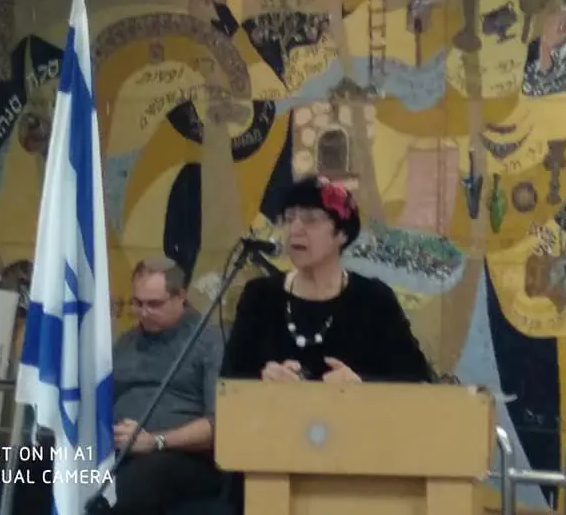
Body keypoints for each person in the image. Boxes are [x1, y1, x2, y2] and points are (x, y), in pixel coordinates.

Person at [221, 174, 434, 384]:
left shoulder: (374, 300)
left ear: (342, 233)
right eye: (288, 218)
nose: (295, 229)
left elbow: (418, 381)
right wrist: (262, 379)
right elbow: (229, 383)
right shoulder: (260, 297)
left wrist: (361, 385)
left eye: (311, 220)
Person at [110, 256, 223, 514]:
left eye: (154, 304)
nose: (143, 312)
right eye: (137, 303)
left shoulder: (210, 342)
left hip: (181, 456)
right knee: (35, 463)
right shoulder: (126, 342)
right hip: (118, 448)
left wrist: (155, 441)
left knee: (133, 482)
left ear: (180, 296)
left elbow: (218, 424)